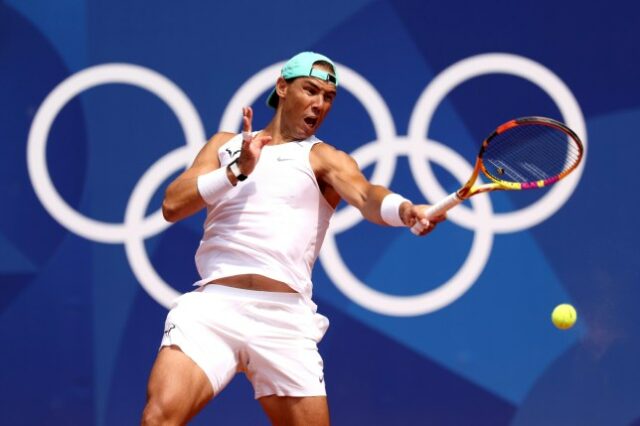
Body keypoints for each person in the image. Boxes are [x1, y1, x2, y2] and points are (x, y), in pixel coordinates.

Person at [141, 51, 445, 425]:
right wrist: (237, 170)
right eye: (311, 90)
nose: (320, 103)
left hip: (283, 319)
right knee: (158, 419)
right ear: (282, 88)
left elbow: (367, 196)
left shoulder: (324, 159)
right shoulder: (225, 145)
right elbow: (172, 205)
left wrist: (404, 210)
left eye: (329, 97)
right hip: (212, 308)